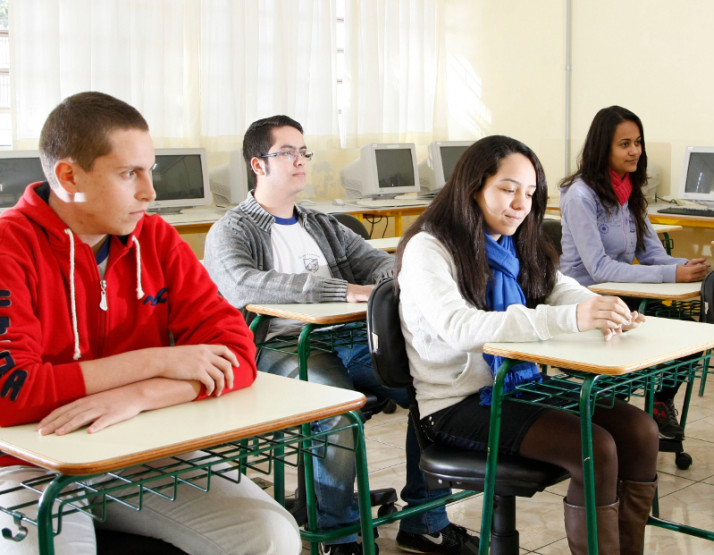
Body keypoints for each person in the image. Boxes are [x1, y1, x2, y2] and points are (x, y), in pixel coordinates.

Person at [0, 92, 301, 554]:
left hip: (136, 443)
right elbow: (10, 393)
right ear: (68, 176)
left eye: (150, 171)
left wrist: (139, 395)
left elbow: (237, 352)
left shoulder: (154, 237)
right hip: (24, 460)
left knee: (270, 535)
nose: (150, 192)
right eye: (128, 174)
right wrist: (157, 362)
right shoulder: (8, 247)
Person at [204, 115, 478, 555]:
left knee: (435, 384)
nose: (300, 160)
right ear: (258, 164)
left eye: (303, 151)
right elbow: (242, 284)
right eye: (287, 152)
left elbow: (377, 263)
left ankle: (425, 522)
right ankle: (340, 537)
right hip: (281, 347)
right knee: (335, 406)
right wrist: (340, 289)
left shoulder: (321, 222)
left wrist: (415, 273)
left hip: (349, 340)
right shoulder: (233, 229)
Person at [395, 135, 659, 555]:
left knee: (640, 430)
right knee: (596, 448)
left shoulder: (514, 239)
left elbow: (557, 288)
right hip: (454, 404)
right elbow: (460, 327)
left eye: (531, 193)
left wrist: (602, 307)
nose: (521, 204)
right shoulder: (430, 247)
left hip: (515, 387)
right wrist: (572, 319)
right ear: (472, 187)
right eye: (507, 188)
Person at [558, 105, 708, 441]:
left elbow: (652, 253)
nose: (634, 151)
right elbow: (598, 269)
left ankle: (659, 402)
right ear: (603, 149)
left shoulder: (627, 191)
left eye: (637, 142)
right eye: (624, 144)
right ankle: (613, 419)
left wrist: (688, 267)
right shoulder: (580, 195)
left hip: (623, 297)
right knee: (639, 339)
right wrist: (672, 277)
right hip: (586, 301)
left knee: (689, 334)